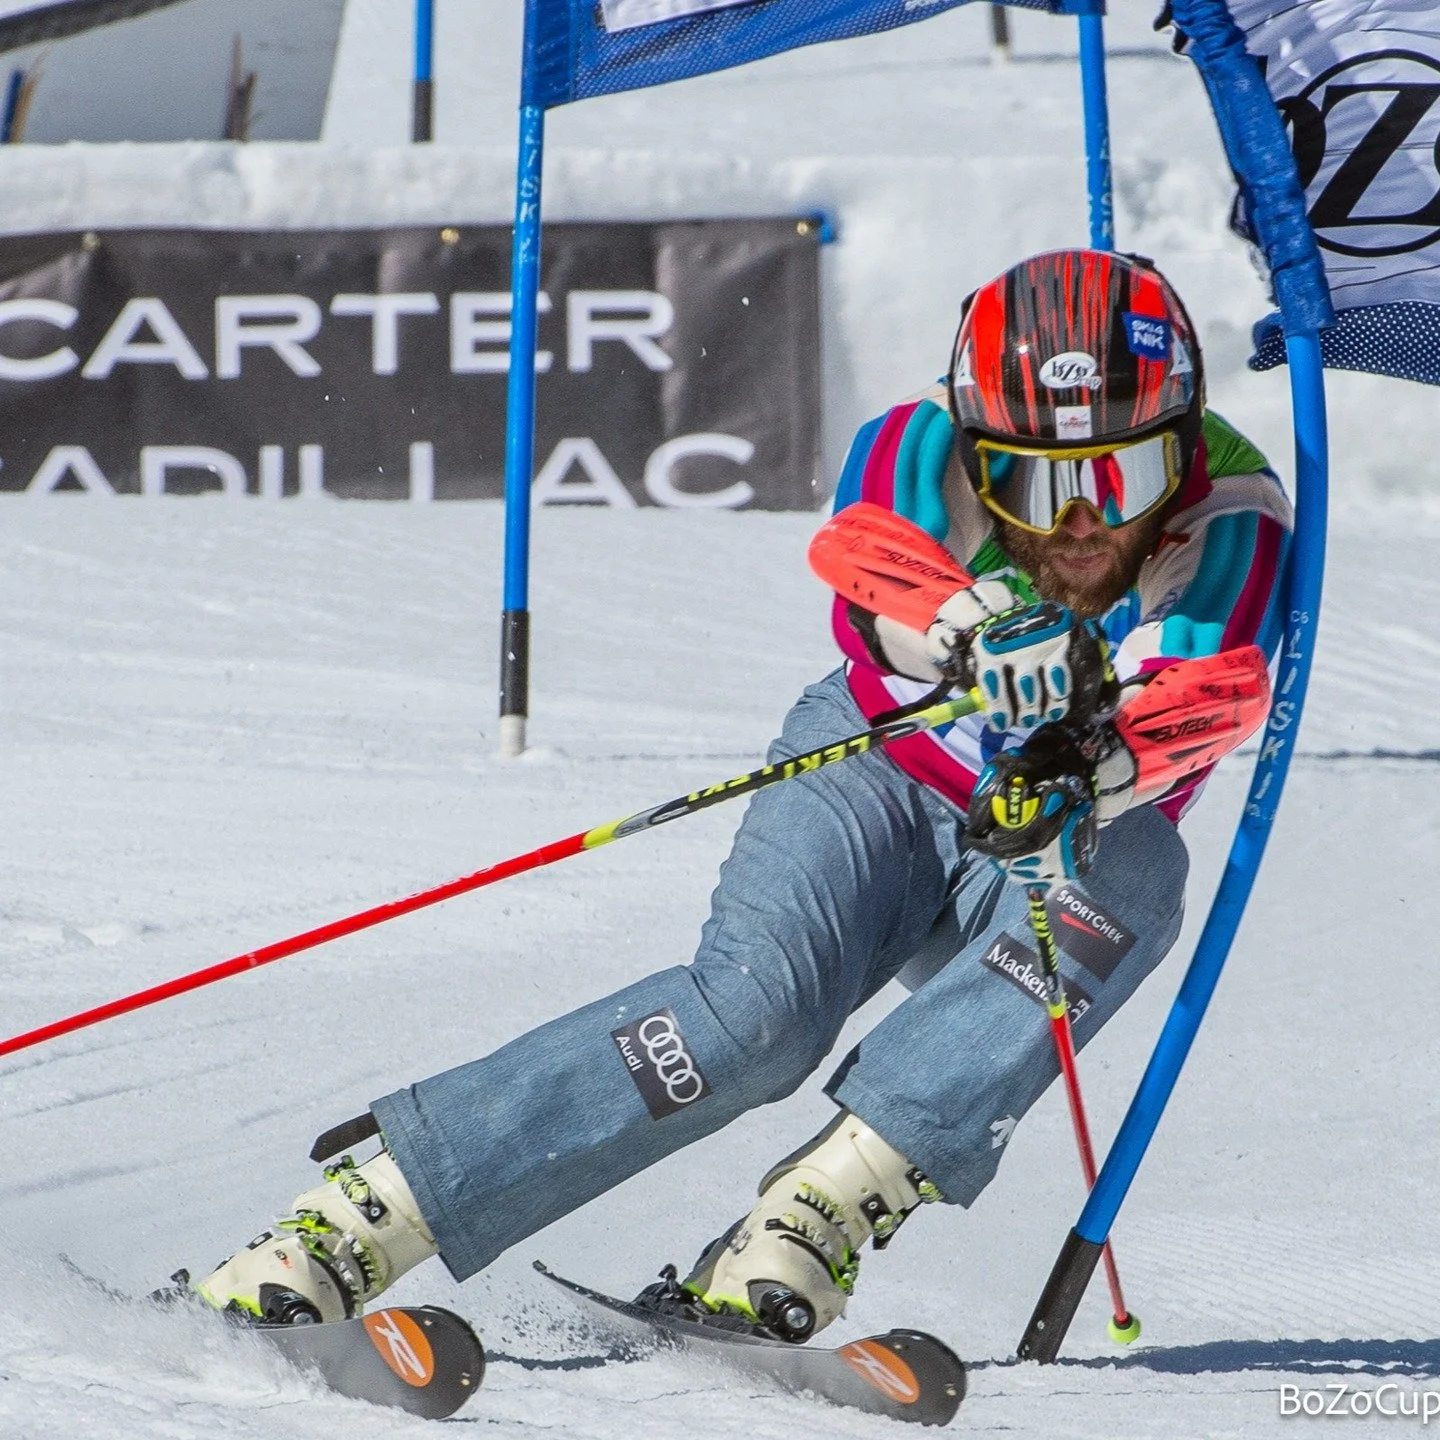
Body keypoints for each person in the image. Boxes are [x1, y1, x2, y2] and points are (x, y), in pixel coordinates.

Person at [193, 249, 1291, 1341]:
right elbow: (868, 558)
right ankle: (367, 1214)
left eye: (1119, 480)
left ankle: (818, 1209)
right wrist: (971, 630)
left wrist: (1091, 764)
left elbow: (1215, 679)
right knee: (752, 1022)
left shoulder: (1232, 506)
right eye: (1036, 485)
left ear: (1181, 447)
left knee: (1139, 876)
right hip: (873, 771)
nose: (1077, 526)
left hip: (1048, 836)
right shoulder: (928, 441)